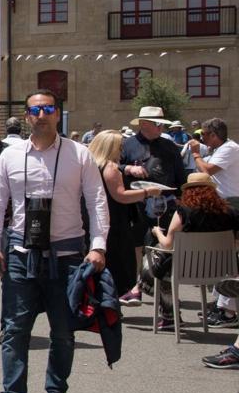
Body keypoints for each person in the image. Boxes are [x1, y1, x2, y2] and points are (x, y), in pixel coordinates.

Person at [0, 90, 108, 393]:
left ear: (58, 114)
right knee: (14, 330)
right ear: (26, 116)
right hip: (22, 254)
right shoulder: (11, 156)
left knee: (63, 332)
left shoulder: (78, 154)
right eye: (35, 109)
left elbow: (97, 201)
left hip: (68, 255)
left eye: (48, 108)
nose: (41, 114)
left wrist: (98, 246)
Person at [144, 173, 239, 331]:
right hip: (222, 271)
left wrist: (156, 232)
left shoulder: (184, 211)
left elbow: (168, 244)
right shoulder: (230, 212)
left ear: (188, 191)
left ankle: (169, 315)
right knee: (163, 260)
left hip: (186, 270)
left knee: (155, 260)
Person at [119, 106, 188, 302]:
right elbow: (113, 166)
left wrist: (181, 197)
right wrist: (128, 168)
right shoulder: (127, 145)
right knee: (137, 246)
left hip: (165, 203)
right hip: (136, 202)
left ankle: (156, 292)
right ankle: (137, 286)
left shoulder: (169, 146)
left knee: (161, 248)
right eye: (157, 124)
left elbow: (180, 175)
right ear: (143, 124)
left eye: (162, 124)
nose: (161, 128)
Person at [88, 130, 162, 297]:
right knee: (119, 266)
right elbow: (120, 196)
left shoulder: (91, 165)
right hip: (115, 221)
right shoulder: (111, 167)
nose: (122, 150)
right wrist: (148, 192)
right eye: (119, 147)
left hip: (96, 218)